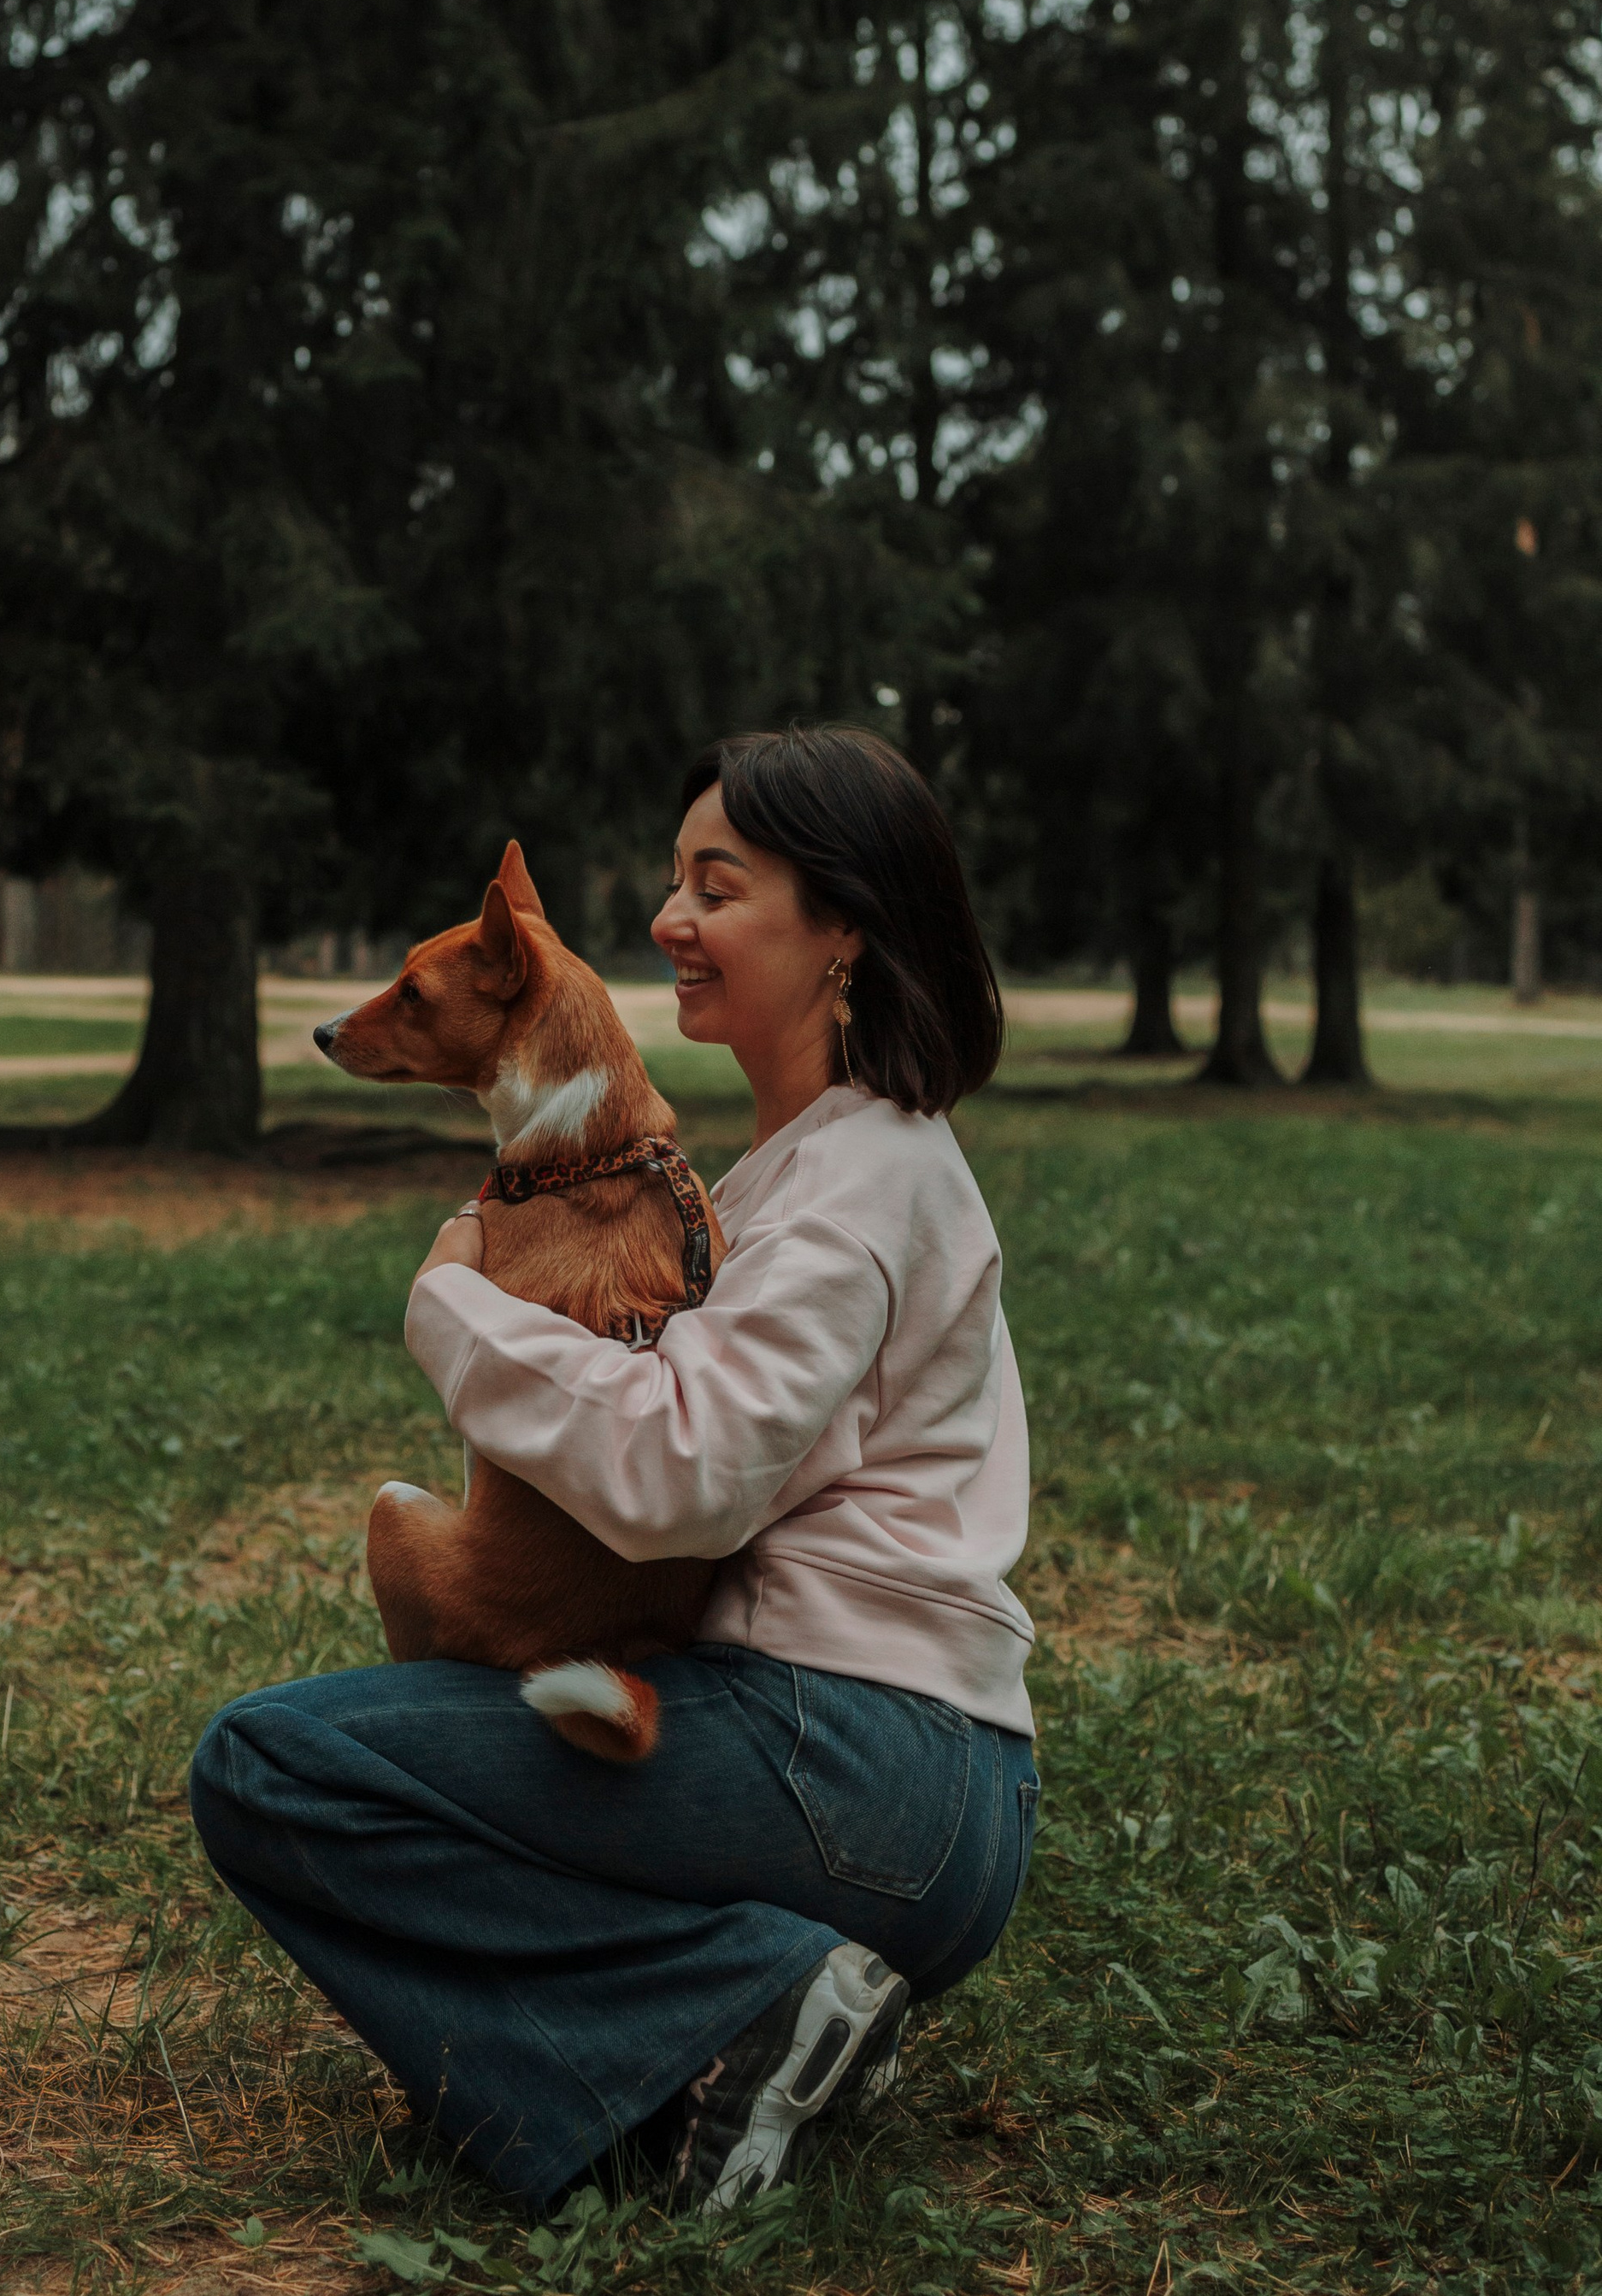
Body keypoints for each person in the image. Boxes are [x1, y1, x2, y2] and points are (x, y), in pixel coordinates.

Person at [188, 723, 1037, 2214]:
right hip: (894, 1778)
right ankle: (779, 2008)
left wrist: (454, 1300)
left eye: (718, 886)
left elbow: (686, 1475)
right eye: (672, 880)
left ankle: (742, 2006)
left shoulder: (854, 1187)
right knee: (403, 1735)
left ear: (845, 925)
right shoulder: (816, 1164)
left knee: (275, 1767)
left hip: (865, 1767)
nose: (667, 922)